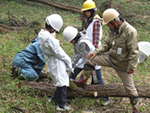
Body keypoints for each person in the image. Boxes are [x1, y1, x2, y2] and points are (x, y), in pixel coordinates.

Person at [75, 8, 139, 113]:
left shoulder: (130, 31)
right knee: (91, 59)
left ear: (113, 22)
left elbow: (134, 52)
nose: (107, 26)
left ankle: (135, 108)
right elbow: (106, 45)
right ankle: (83, 80)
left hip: (123, 64)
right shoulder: (112, 30)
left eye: (107, 24)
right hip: (111, 58)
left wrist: (131, 67)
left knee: (130, 89)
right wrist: (96, 52)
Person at [38, 14, 72, 111]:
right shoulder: (49, 39)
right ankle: (61, 105)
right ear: (52, 27)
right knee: (62, 83)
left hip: (53, 61)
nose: (56, 32)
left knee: (59, 81)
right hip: (56, 62)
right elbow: (59, 52)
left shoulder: (42, 35)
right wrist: (68, 61)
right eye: (55, 30)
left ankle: (53, 99)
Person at [80, 0, 110, 105]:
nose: (86, 13)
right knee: (93, 76)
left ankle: (105, 98)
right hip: (87, 50)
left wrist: (95, 53)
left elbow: (96, 40)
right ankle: (94, 94)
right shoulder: (87, 20)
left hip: (94, 51)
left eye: (88, 11)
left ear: (92, 11)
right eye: (85, 11)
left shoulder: (96, 21)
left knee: (97, 76)